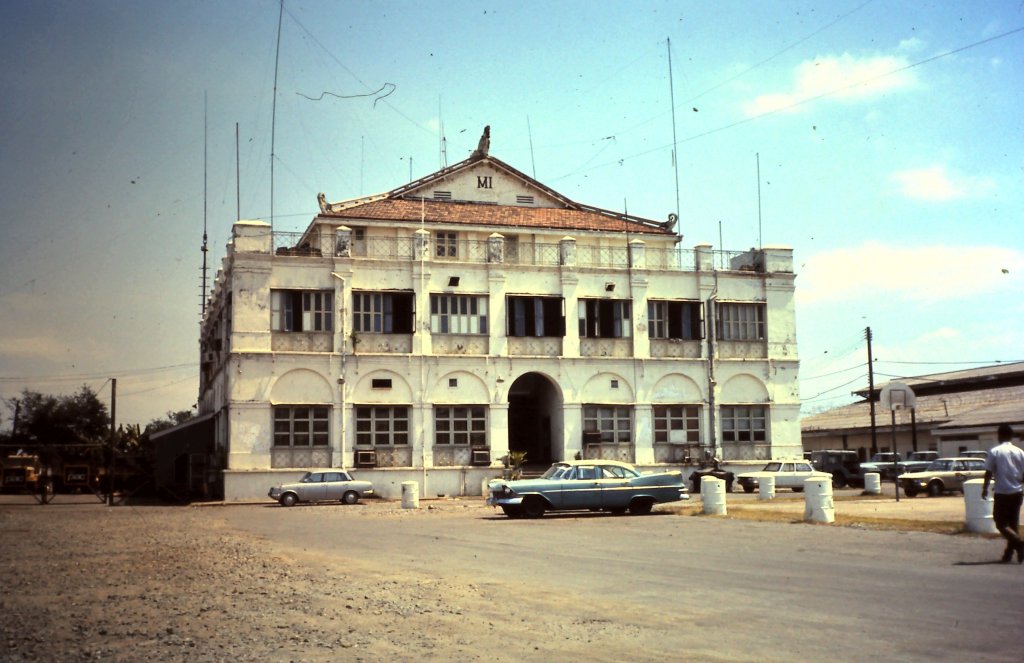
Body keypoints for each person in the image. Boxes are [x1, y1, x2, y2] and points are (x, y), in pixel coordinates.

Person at [982, 424, 1024, 564]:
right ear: (1011, 436)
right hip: (1017, 492)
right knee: (1013, 524)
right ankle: (1009, 555)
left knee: (1000, 523)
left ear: (999, 436)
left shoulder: (995, 451)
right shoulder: (1020, 452)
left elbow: (988, 471)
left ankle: (1019, 542)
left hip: (1002, 492)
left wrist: (985, 488)